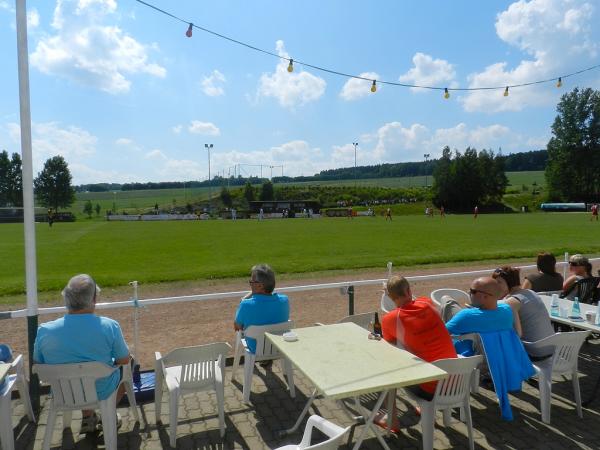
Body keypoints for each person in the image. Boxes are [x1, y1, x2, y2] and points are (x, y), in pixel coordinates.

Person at [33, 274, 130, 433]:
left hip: (63, 392)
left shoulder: (44, 331)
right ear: (94, 299)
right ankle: (107, 414)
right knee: (128, 366)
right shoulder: (109, 326)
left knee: (80, 373)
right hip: (101, 390)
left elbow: (38, 363)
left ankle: (88, 417)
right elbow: (124, 360)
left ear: (66, 299)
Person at [377, 275, 457, 431]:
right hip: (457, 380)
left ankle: (391, 420)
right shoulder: (426, 302)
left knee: (388, 372)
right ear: (408, 290)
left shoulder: (390, 319)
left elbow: (389, 346)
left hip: (432, 388)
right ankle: (427, 410)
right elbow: (417, 302)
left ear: (389, 296)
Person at [493, 266, 554, 361]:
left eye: (499, 282)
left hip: (534, 352)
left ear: (510, 282)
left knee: (495, 343)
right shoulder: (531, 292)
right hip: (552, 348)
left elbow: (517, 334)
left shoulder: (511, 302)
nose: (496, 286)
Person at [234, 264, 289, 355]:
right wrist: (258, 288)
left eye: (251, 282)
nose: (250, 284)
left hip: (256, 349)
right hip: (278, 347)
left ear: (260, 286)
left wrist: (243, 300)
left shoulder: (245, 305)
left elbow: (237, 327)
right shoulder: (284, 300)